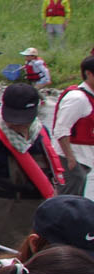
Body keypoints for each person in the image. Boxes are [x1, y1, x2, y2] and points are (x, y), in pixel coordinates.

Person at [0, 83, 66, 250]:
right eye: (13, 118)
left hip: (36, 221)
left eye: (23, 119)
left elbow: (50, 179)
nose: (17, 124)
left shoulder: (41, 134)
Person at [52, 55, 94, 197]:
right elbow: (60, 129)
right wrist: (70, 158)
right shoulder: (77, 98)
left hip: (83, 158)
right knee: (68, 201)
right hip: (70, 159)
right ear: (88, 73)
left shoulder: (90, 96)